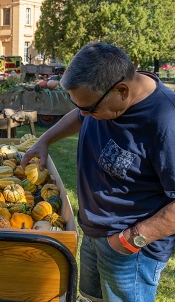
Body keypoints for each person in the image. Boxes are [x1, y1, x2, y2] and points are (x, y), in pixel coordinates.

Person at [20, 42, 175, 302]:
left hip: (131, 251)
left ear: (122, 90)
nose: (84, 114)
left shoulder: (166, 121)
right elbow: (80, 116)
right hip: (93, 233)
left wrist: (129, 240)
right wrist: (43, 141)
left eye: (90, 108)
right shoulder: (103, 99)